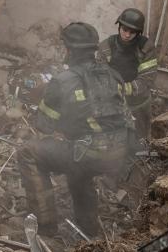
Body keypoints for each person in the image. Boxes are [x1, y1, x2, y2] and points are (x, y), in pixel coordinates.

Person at [20, 22, 134, 237]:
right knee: (78, 164)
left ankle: (44, 227)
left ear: (69, 50)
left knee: (29, 152)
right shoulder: (114, 75)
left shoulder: (63, 81)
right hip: (119, 153)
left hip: (89, 153)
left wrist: (46, 101)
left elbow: (44, 125)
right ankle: (88, 228)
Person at [99, 7, 158, 133]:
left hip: (138, 103)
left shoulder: (146, 47)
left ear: (138, 33)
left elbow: (147, 78)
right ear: (119, 26)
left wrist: (124, 89)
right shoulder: (106, 46)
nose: (127, 35)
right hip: (112, 103)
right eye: (124, 30)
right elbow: (100, 73)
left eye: (132, 32)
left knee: (139, 141)